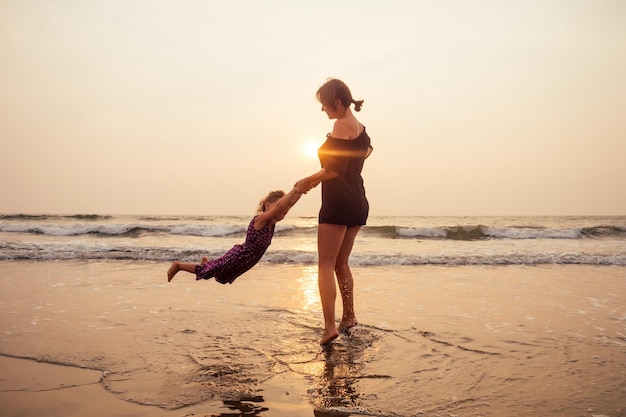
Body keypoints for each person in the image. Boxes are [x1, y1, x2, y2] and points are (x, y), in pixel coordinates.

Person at [295, 79, 373, 345]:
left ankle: (330, 327)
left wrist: (308, 180)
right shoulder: (361, 128)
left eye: (325, 105)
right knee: (341, 263)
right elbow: (367, 151)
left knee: (326, 264)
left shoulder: (340, 126)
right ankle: (349, 315)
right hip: (358, 201)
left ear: (337, 102)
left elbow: (335, 169)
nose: (323, 110)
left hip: (338, 200)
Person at [167, 187, 302, 284]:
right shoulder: (260, 220)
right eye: (280, 208)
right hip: (238, 256)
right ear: (267, 205)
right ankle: (178, 265)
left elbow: (286, 205)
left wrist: (302, 189)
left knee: (219, 276)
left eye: (285, 213)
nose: (282, 214)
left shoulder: (272, 223)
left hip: (245, 262)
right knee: (207, 273)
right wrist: (296, 187)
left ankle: (205, 263)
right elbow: (280, 207)